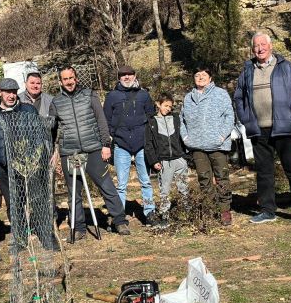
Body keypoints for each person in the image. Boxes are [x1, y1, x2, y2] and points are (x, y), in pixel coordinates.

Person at [234, 33, 291, 224]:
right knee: (264, 172)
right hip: (259, 130)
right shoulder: (247, 71)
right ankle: (268, 210)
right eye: (256, 46)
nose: (260, 48)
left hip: (284, 128)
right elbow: (238, 98)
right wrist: (246, 119)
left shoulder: (286, 67)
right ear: (252, 49)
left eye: (263, 44)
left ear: (271, 46)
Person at [49, 66, 130, 239]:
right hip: (69, 152)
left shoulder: (89, 95)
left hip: (93, 149)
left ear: (76, 78)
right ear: (60, 82)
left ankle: (120, 221)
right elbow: (53, 130)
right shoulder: (56, 102)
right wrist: (54, 152)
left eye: (71, 78)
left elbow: (101, 119)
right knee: (73, 193)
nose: (69, 82)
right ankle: (79, 228)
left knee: (106, 186)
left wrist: (106, 144)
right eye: (65, 79)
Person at [0, 78, 48, 255]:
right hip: (6, 169)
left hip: (30, 166)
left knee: (38, 200)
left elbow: (38, 136)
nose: (11, 95)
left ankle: (46, 235)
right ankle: (20, 239)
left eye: (13, 92)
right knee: (14, 204)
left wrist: (35, 160)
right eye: (7, 92)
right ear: (0, 92)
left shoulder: (28, 110)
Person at [180, 66, 235, 225]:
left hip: (217, 145)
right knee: (204, 179)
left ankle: (224, 210)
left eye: (204, 75)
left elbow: (229, 116)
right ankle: (209, 209)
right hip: (197, 146)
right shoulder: (188, 98)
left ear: (210, 78)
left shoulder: (220, 94)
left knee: (221, 177)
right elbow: (182, 120)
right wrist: (186, 138)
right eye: (197, 75)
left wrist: (221, 136)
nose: (200, 77)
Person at [103, 65, 156, 223]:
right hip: (121, 143)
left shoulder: (144, 95)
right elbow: (106, 120)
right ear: (119, 78)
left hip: (142, 144)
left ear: (135, 75)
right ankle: (119, 216)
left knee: (146, 181)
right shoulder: (112, 96)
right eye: (123, 75)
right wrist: (108, 141)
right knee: (121, 184)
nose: (126, 77)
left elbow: (151, 117)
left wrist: (151, 141)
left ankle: (149, 212)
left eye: (129, 75)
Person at [144, 92, 189, 227]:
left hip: (179, 158)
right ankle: (164, 215)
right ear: (158, 104)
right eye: (165, 106)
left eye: (170, 106)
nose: (168, 109)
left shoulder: (175, 118)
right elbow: (148, 144)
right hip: (164, 161)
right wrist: (154, 161)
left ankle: (186, 213)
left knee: (183, 187)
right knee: (165, 190)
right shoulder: (151, 121)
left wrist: (186, 156)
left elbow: (183, 136)